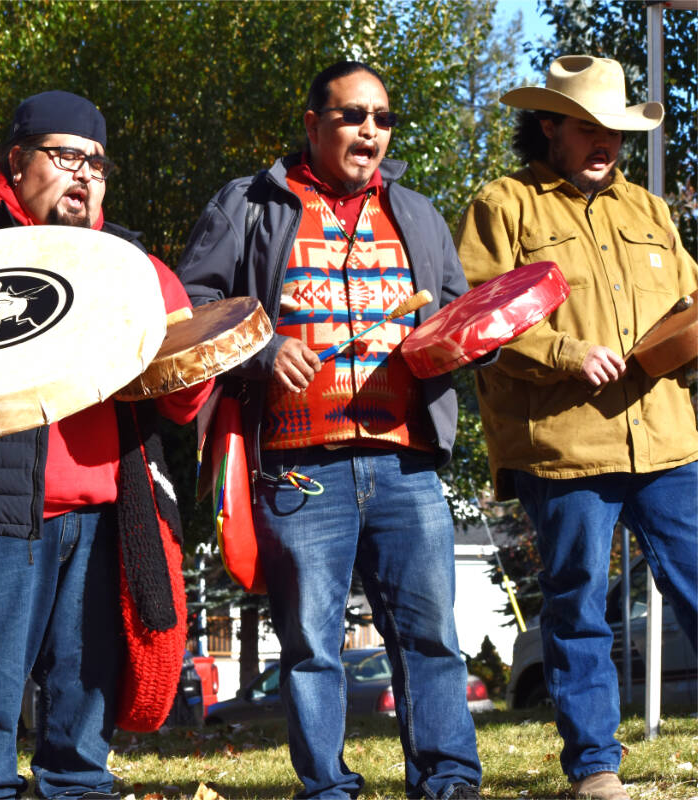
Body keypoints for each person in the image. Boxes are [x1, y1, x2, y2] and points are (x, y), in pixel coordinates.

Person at [0, 90, 211, 800]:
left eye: (98, 164)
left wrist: (189, 360)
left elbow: (185, 391)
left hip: (105, 509)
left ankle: (78, 791)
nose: (85, 176)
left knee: (84, 693)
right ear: (17, 161)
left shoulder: (126, 261)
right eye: (66, 157)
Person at [175, 61, 484, 799]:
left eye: (381, 119)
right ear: (312, 124)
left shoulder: (416, 211)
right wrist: (262, 348)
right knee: (312, 645)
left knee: (430, 636)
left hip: (405, 463)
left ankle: (448, 782)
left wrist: (466, 337)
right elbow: (191, 301)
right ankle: (327, 789)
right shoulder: (251, 204)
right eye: (351, 116)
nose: (369, 132)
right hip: (301, 465)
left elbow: (455, 310)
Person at [456, 55, 697, 800]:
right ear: (549, 127)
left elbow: (689, 305)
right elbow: (475, 322)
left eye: (618, 131)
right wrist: (563, 353)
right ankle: (595, 768)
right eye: (590, 127)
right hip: (563, 447)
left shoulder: (652, 212)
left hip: (667, 439)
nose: (607, 142)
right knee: (578, 604)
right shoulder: (503, 207)